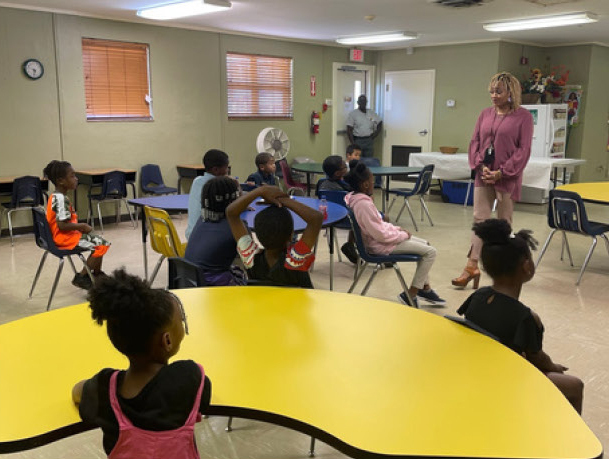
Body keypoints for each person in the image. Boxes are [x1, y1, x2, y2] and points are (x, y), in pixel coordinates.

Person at [72, 269, 211, 457]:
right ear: (167, 341)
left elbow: (77, 393)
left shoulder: (104, 389)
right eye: (182, 321)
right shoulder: (188, 377)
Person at [457, 219, 584, 414]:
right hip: (506, 377)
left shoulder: (477, 296)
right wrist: (555, 366)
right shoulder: (525, 317)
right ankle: (572, 440)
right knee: (575, 386)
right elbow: (537, 359)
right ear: (526, 266)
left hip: (476, 369)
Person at [452, 72, 534, 289]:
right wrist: (480, 165)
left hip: (507, 176)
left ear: (510, 93)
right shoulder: (485, 114)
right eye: (491, 91)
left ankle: (503, 269)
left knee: (504, 222)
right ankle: (471, 266)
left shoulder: (523, 117)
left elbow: (523, 149)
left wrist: (502, 172)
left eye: (499, 91)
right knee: (480, 219)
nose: (494, 95)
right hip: (483, 172)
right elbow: (475, 141)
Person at [344, 163, 444, 307]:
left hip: (382, 241)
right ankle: (412, 293)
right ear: (365, 184)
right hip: (380, 246)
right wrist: (402, 235)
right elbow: (380, 235)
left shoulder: (356, 199)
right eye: (372, 180)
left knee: (426, 244)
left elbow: (379, 225)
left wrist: (397, 229)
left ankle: (425, 288)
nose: (374, 183)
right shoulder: (363, 205)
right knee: (431, 252)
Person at [226, 186, 322, 288]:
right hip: (295, 304)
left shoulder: (250, 257)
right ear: (291, 235)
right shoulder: (295, 260)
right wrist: (282, 200)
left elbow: (231, 212)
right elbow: (316, 218)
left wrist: (260, 191)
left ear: (257, 235)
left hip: (265, 303)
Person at [43, 160, 110, 290]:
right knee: (102, 244)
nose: (76, 179)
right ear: (61, 181)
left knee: (98, 241)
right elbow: (62, 225)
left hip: (59, 236)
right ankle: (83, 276)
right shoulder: (61, 199)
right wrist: (81, 226)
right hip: (63, 238)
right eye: (72, 176)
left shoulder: (55, 196)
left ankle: (96, 275)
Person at [185, 176, 245, 286]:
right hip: (213, 288)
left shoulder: (202, 219)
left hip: (190, 281)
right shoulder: (235, 226)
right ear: (234, 200)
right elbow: (251, 262)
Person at [186, 149, 230, 240]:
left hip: (191, 235)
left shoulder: (197, 180)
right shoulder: (216, 185)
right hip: (204, 238)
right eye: (226, 167)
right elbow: (232, 208)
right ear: (216, 170)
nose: (227, 170)